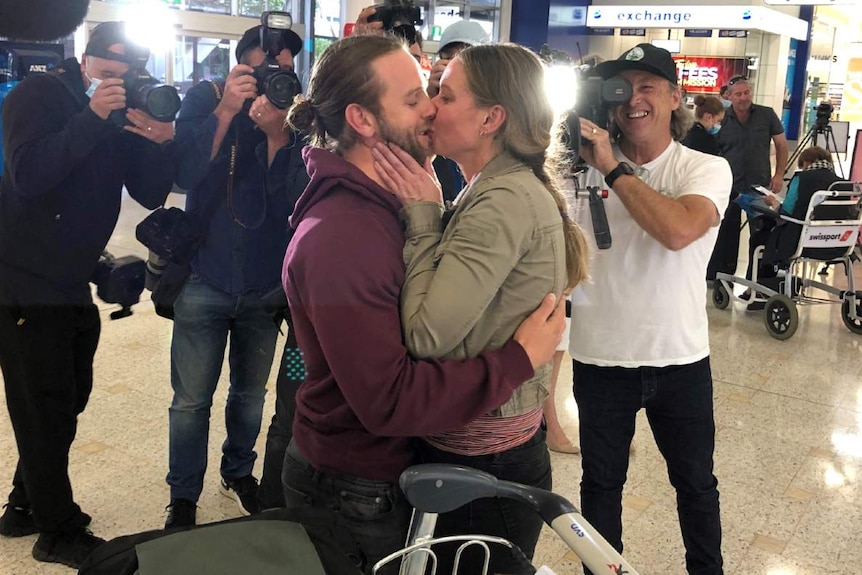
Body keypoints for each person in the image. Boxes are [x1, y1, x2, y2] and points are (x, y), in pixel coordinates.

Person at [281, 34, 566, 575]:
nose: (431, 108)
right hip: (354, 485)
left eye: (434, 93)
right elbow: (390, 400)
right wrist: (516, 362)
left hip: (396, 469)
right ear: (363, 121)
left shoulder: (397, 201)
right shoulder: (341, 236)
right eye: (414, 98)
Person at [371, 43, 589, 575]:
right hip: (483, 446)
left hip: (483, 462)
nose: (429, 107)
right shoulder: (488, 188)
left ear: (492, 118)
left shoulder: (503, 200)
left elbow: (425, 335)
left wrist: (423, 214)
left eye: (444, 94)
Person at [0, 21, 175, 568]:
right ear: (84, 61)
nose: (115, 86)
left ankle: (25, 502)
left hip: (70, 278)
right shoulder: (39, 95)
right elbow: (28, 175)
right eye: (106, 75)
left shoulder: (126, 111)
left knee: (66, 397)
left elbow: (147, 192)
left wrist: (160, 144)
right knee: (44, 405)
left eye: (125, 77)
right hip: (21, 276)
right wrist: (93, 116)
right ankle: (58, 531)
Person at [569, 43, 731, 575]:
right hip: (601, 358)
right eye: (620, 89)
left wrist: (612, 168)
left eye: (647, 87)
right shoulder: (576, 170)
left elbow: (678, 230)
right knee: (600, 488)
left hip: (679, 357)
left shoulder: (704, 168)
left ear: (675, 98)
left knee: (696, 486)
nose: (632, 99)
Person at [164, 24, 308, 528]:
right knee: (190, 401)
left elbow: (294, 201)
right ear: (237, 66)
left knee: (250, 394)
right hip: (205, 274)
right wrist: (227, 109)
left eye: (284, 70)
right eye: (262, 68)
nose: (273, 77)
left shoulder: (298, 119)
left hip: (266, 285)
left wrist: (277, 134)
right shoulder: (204, 103)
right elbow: (184, 173)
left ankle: (239, 471)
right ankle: (182, 495)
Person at [707, 76, 788, 282]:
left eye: (747, 93)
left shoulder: (766, 115)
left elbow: (781, 145)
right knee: (726, 236)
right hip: (729, 188)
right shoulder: (722, 119)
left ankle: (758, 283)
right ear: (729, 96)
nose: (744, 98)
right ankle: (723, 280)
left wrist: (779, 174)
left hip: (758, 187)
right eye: (738, 94)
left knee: (761, 235)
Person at [744, 146, 844, 304]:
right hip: (835, 242)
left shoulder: (802, 178)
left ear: (806, 162)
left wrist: (773, 202)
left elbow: (787, 211)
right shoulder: (842, 184)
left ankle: (755, 289)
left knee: (759, 238)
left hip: (800, 241)